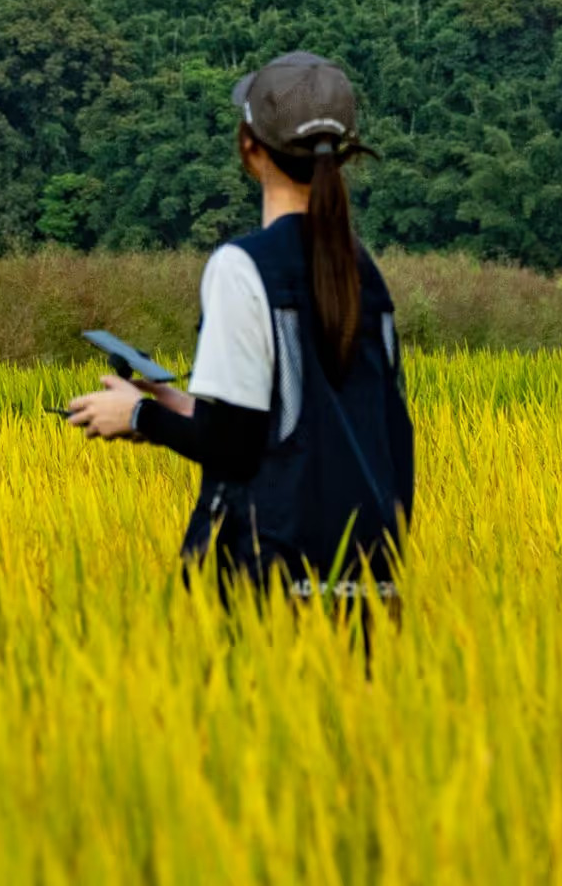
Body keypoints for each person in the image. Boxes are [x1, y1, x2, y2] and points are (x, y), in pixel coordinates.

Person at [65, 51, 415, 606]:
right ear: (341, 155)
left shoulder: (242, 266)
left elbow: (232, 447)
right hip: (369, 575)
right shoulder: (363, 271)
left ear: (249, 148)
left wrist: (136, 415)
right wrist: (178, 404)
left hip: (270, 575)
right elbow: (357, 428)